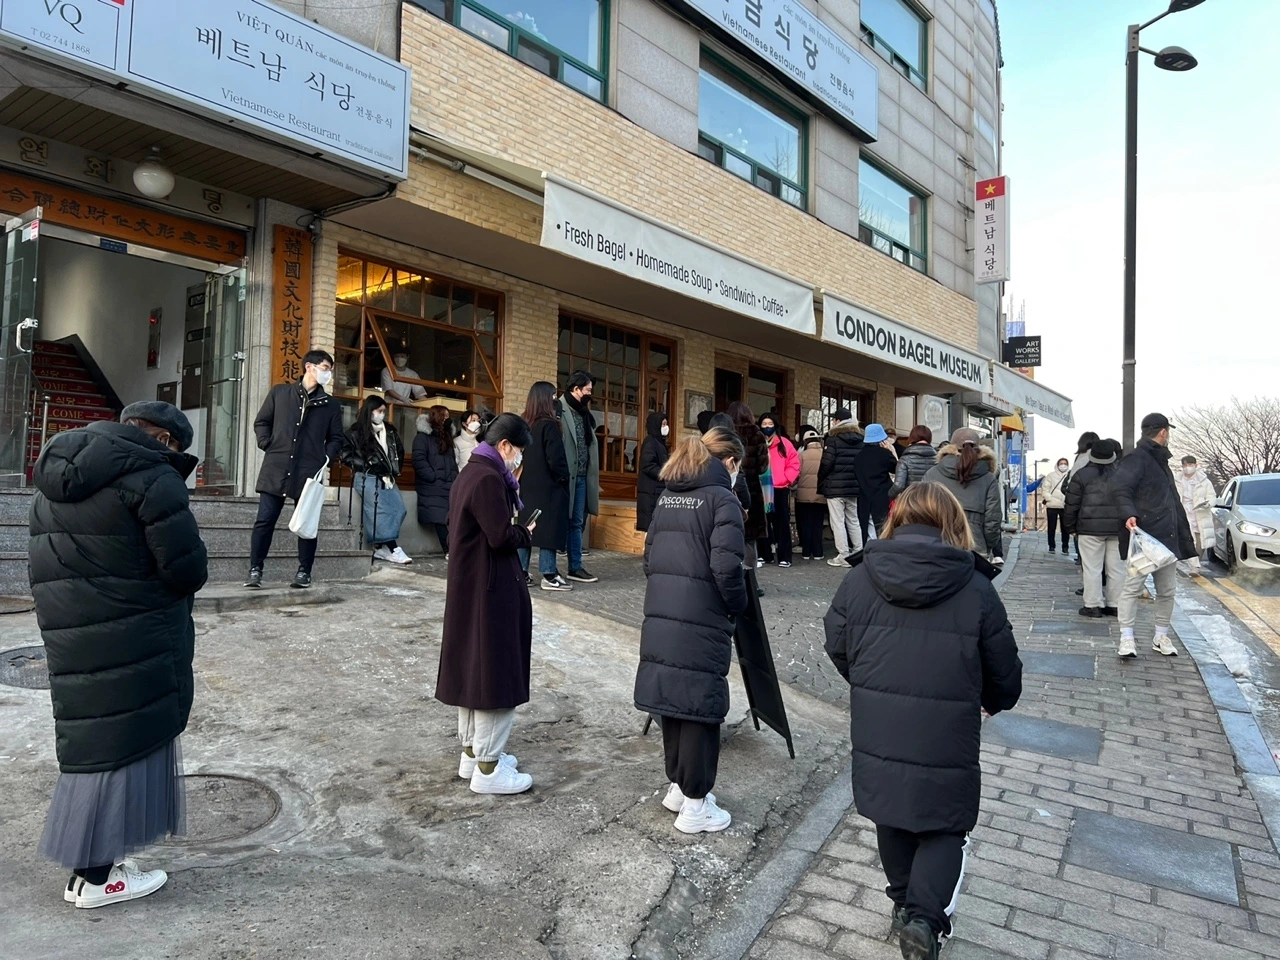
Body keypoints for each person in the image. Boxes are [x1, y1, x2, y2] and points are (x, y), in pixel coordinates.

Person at [823, 482, 1022, 959]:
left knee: (891, 810)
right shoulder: (975, 586)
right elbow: (1005, 672)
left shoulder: (860, 577)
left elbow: (837, 643)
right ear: (953, 523)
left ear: (896, 519)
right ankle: (924, 919)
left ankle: (902, 904)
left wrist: (869, 683)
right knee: (944, 824)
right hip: (948, 730)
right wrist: (991, 701)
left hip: (878, 723)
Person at [29, 401, 209, 908]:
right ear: (165, 441)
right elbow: (186, 568)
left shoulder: (53, 474)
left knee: (96, 742)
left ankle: (90, 871)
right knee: (129, 741)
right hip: (136, 630)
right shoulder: (154, 477)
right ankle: (97, 879)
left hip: (72, 629)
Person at [634, 427, 748, 834]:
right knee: (699, 706)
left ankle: (679, 789)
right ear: (730, 462)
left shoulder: (668, 495)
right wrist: (737, 606)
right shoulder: (723, 500)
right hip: (702, 615)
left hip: (663, 611)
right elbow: (727, 569)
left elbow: (648, 558)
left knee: (672, 700)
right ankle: (696, 804)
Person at [437, 413, 537, 795]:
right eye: (518, 451)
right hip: (490, 591)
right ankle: (489, 768)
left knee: (471, 673)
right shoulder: (488, 479)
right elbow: (499, 536)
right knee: (495, 678)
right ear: (504, 445)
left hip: (471, 586)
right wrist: (524, 533)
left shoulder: (470, 473)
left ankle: (471, 754)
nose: (518, 460)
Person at [247, 350, 345, 589]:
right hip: (277, 466)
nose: (328, 373)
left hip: (309, 470)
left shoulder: (330, 404)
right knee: (264, 521)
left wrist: (325, 458)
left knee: (307, 524)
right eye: (325, 368)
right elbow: (262, 422)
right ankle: (255, 569)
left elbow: (336, 438)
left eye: (329, 369)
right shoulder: (280, 393)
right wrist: (266, 443)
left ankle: (304, 571)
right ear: (309, 366)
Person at [1112, 413, 1197, 659]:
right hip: (1144, 538)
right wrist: (1129, 513)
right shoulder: (1137, 458)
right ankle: (1126, 638)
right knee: (1132, 588)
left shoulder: (1161, 460)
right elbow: (1120, 489)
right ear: (1163, 432)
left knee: (1167, 590)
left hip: (1167, 537)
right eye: (1168, 432)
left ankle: (1161, 637)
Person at [341, 395, 410, 564]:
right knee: (379, 511)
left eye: (384, 411)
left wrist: (395, 469)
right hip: (367, 476)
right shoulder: (355, 432)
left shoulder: (390, 430)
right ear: (370, 410)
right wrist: (366, 465)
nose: (382, 414)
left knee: (399, 509)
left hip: (387, 477)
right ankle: (393, 548)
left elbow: (398, 451)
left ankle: (380, 547)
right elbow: (345, 455)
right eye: (379, 411)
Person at [518, 381, 573, 590]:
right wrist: (564, 478)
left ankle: (520, 572)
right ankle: (549, 574)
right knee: (550, 528)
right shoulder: (549, 425)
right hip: (549, 486)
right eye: (553, 395)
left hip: (528, 484)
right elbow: (556, 459)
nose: (555, 400)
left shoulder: (526, 423)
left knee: (527, 527)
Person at [924, 428, 1003, 566]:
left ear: (950, 447)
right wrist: (987, 545)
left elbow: (921, 513)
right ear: (979, 448)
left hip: (937, 546)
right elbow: (993, 520)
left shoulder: (931, 474)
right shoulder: (988, 478)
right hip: (975, 548)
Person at [1063, 439, 1123, 618]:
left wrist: (1070, 527)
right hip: (1118, 529)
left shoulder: (1081, 475)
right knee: (1117, 569)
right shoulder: (1124, 474)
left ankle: (1093, 605)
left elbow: (1071, 504)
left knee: (1092, 568)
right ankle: (1115, 605)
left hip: (1089, 528)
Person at [557, 371, 601, 583]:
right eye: (588, 390)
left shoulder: (585, 413)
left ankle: (575, 567)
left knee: (577, 522)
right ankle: (548, 568)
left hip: (582, 476)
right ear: (576, 389)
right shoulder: (558, 409)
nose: (590, 394)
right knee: (559, 520)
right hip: (564, 476)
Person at [727, 402, 772, 569]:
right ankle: (750, 578)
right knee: (749, 539)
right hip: (752, 488)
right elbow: (762, 468)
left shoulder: (725, 434)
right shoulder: (757, 434)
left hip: (727, 487)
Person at [818, 408, 865, 567]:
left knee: (838, 522)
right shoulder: (861, 439)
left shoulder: (833, 439)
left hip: (835, 487)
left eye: (834, 419)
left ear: (838, 421)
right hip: (854, 486)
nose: (832, 422)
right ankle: (859, 552)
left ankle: (844, 556)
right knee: (854, 520)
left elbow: (826, 464)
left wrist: (821, 480)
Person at [412, 404, 459, 558]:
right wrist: (433, 476)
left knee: (454, 517)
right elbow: (418, 460)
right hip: (431, 486)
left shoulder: (447, 438)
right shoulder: (422, 437)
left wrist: (455, 480)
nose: (447, 420)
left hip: (448, 484)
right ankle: (450, 550)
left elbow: (452, 463)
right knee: (441, 517)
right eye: (443, 416)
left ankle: (456, 550)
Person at [759, 412, 800, 566]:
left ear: (775, 425)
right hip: (761, 487)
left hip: (779, 488)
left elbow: (794, 463)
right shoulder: (758, 443)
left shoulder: (785, 443)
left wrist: (786, 478)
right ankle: (765, 554)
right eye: (764, 424)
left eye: (770, 424)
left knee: (781, 523)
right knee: (762, 522)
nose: (767, 427)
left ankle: (784, 557)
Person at [853, 423, 898, 539]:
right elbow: (897, 469)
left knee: (867, 530)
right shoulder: (885, 454)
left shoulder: (859, 457)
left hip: (864, 497)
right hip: (882, 497)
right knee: (883, 529)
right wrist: (892, 451)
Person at [1176, 454, 1217, 570]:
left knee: (1200, 541)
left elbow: (1212, 496)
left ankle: (1196, 563)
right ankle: (1194, 566)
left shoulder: (1204, 482)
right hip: (1183, 511)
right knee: (1188, 539)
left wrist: (1208, 504)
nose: (1187, 467)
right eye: (1185, 465)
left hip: (1200, 512)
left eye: (1190, 464)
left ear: (1195, 465)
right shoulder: (1177, 480)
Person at [794, 425, 827, 560]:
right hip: (821, 494)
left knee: (806, 523)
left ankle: (806, 552)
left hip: (803, 495)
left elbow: (796, 474)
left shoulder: (801, 455)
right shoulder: (825, 455)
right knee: (818, 524)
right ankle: (818, 552)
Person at [636, 411, 670, 533]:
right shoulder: (650, 442)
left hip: (655, 490)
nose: (666, 427)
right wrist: (665, 474)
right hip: (650, 491)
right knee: (649, 527)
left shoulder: (660, 443)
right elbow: (647, 465)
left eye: (666, 424)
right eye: (663, 424)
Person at [888, 425, 936, 501]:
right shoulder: (937, 459)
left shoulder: (905, 459)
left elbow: (898, 486)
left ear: (912, 437)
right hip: (931, 501)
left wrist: (889, 496)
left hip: (911, 501)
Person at [1040, 456, 1071, 554]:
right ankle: (1051, 546)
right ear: (1057, 465)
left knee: (1065, 528)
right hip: (1052, 505)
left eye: (1065, 463)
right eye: (1061, 463)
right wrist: (1048, 498)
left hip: (1065, 505)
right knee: (1051, 527)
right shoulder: (1051, 475)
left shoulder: (1071, 475)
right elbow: (1045, 488)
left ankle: (1065, 547)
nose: (1063, 465)